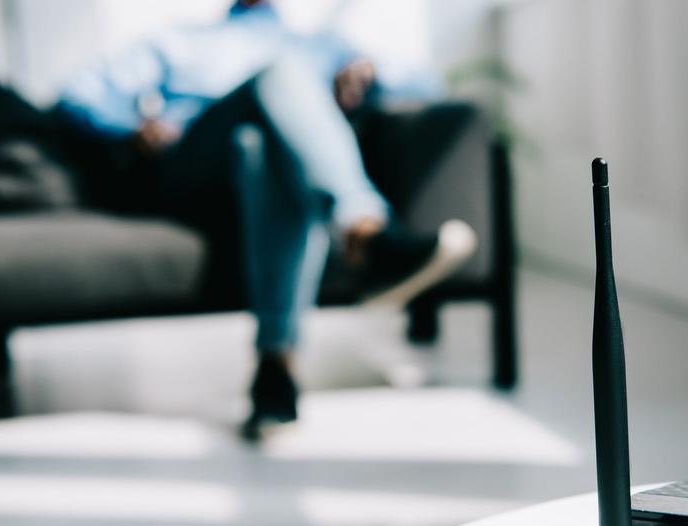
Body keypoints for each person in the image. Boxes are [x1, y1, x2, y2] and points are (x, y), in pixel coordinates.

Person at [53, 0, 475, 438]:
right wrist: (131, 126)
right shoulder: (179, 40)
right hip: (196, 171)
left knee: (260, 147)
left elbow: (426, 84)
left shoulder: (322, 43)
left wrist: (371, 75)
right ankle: (364, 232)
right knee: (279, 75)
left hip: (268, 172)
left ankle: (276, 369)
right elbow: (79, 94)